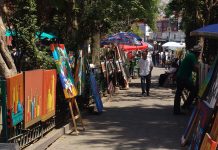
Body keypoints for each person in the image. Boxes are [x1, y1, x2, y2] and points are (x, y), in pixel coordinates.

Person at [173, 45, 201, 115]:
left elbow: (193, 68)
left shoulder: (190, 55)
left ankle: (178, 109)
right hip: (183, 77)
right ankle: (185, 106)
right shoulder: (192, 56)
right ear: (197, 53)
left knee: (178, 93)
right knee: (194, 90)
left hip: (181, 76)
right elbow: (196, 68)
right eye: (199, 53)